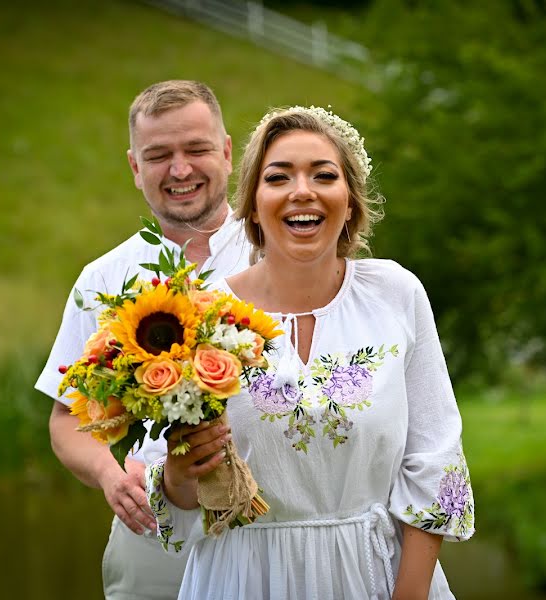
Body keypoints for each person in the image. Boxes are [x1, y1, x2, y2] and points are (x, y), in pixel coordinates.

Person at [146, 106, 475, 599]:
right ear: (253, 206)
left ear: (350, 201)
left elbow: (435, 459)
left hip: (374, 574)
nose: (303, 190)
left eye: (324, 175)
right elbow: (173, 494)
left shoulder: (396, 294)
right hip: (241, 579)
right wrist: (177, 474)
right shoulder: (196, 309)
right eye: (278, 177)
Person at [35, 80, 251, 600]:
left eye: (196, 149)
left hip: (277, 528)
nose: (180, 170)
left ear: (226, 152)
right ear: (135, 167)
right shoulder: (102, 279)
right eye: (159, 156)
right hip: (154, 534)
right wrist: (110, 476)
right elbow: (69, 419)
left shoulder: (279, 252)